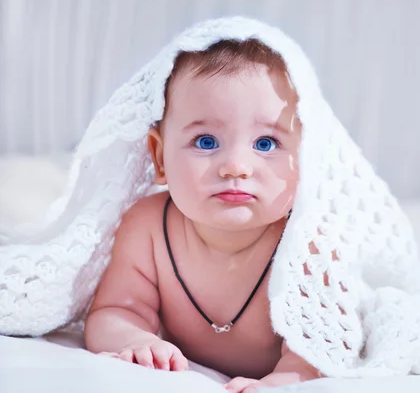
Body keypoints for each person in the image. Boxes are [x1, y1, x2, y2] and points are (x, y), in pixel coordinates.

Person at [84, 39, 320, 393]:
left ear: (306, 157)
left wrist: (282, 381)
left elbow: (318, 349)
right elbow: (113, 311)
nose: (236, 167)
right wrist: (132, 339)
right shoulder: (147, 228)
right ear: (160, 158)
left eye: (266, 143)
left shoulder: (309, 242)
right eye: (206, 141)